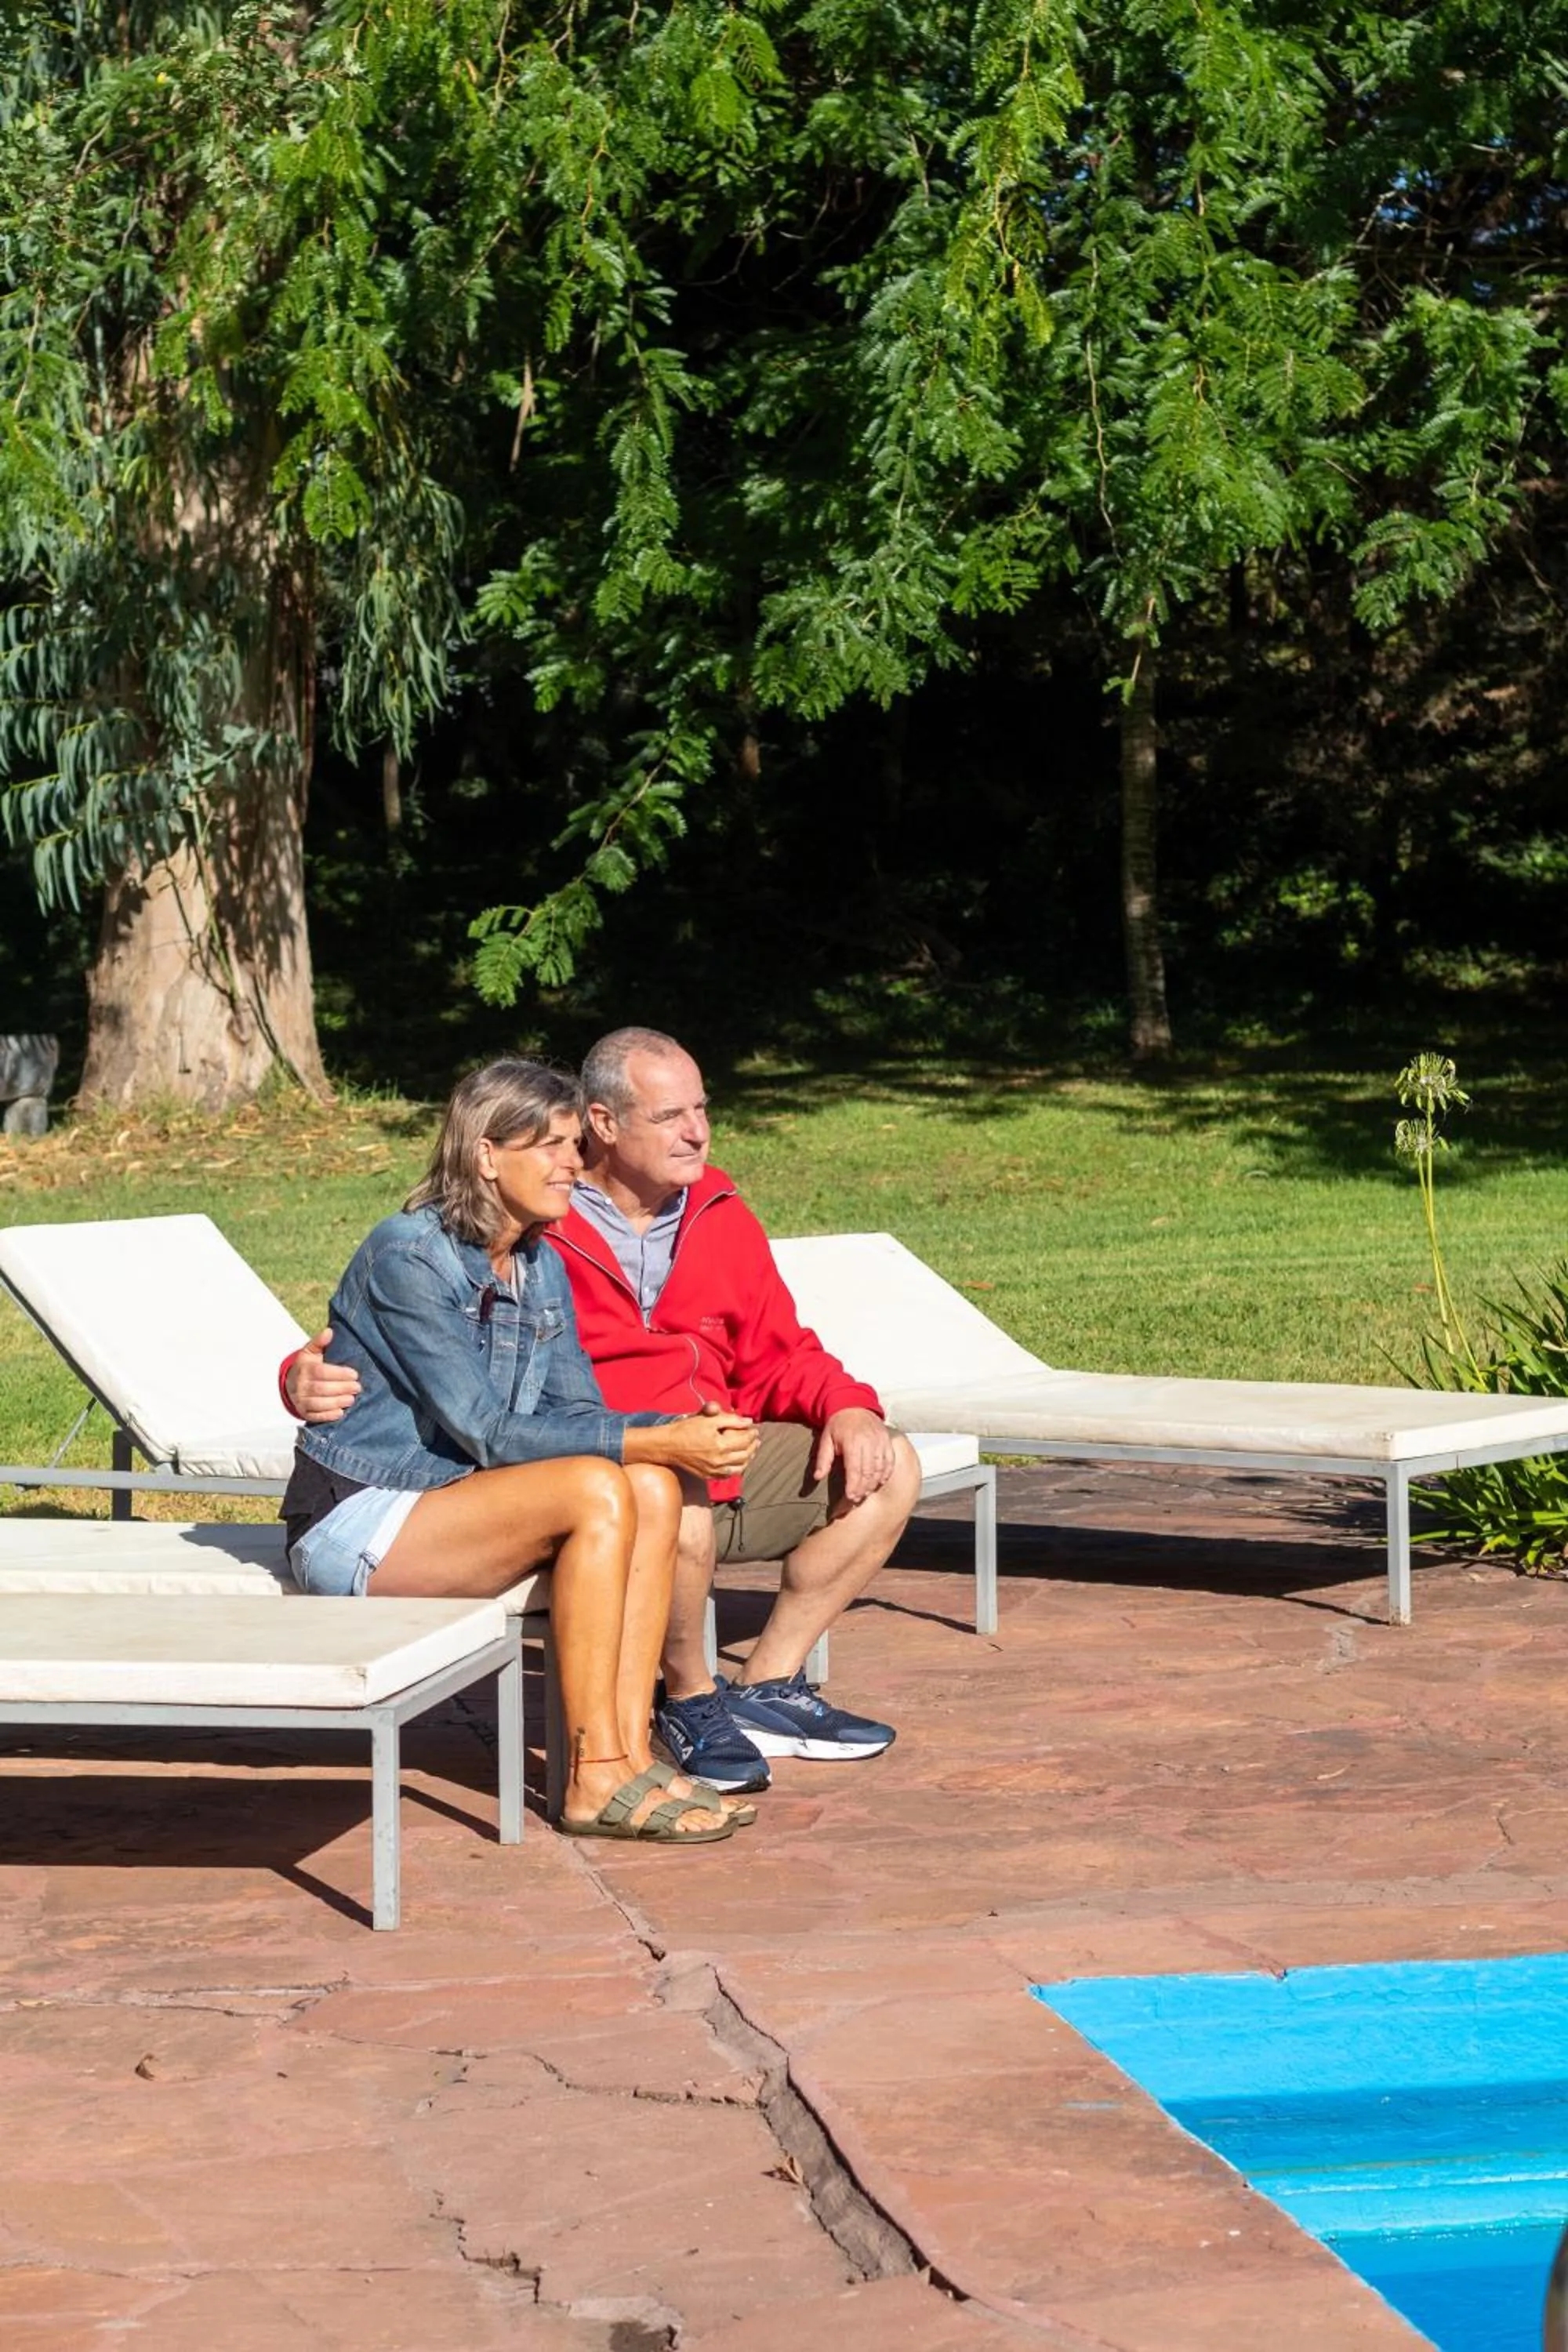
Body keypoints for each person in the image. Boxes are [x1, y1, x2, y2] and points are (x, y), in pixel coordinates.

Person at [287, 1029, 920, 1797]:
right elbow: (470, 1414)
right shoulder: (446, 1246)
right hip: (399, 1500)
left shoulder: (545, 1247)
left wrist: (841, 1407)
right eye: (670, 1116)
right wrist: (664, 1440)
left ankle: (688, 1727)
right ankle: (647, 1734)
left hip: (531, 1482)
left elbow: (758, 1355)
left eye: (701, 1109)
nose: (697, 1131)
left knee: (852, 1464)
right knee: (638, 1482)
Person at [279, 1055, 761, 1846]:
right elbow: (486, 1430)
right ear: (485, 1155)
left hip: (457, 1502)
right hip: (364, 1515)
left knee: (648, 1485)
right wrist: (659, 1436)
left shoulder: (538, 1261)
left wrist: (675, 1436)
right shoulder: (407, 1253)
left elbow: (573, 1406)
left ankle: (630, 1756)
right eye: (554, 1146)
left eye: (575, 1144)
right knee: (596, 1485)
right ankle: (590, 1774)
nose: (575, 1164)